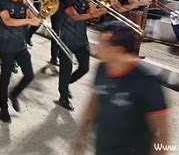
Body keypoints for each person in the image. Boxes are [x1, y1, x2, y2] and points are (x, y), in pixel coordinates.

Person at [72, 21, 169, 155]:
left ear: (119, 49)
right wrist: (81, 134)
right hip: (103, 149)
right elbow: (94, 101)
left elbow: (161, 131)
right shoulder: (102, 69)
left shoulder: (147, 80)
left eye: (103, 44)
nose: (97, 48)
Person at [0, 0, 41, 123]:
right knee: (5, 78)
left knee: (29, 75)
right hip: (6, 45)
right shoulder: (1, 1)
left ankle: (14, 94)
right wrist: (29, 22)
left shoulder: (25, 0)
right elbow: (8, 21)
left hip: (20, 44)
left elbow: (34, 19)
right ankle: (3, 109)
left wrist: (31, 6)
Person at [57, 0, 107, 111]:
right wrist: (93, 14)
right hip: (66, 39)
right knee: (66, 70)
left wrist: (90, 1)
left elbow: (94, 16)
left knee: (84, 68)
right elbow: (75, 17)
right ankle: (63, 97)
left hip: (81, 39)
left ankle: (65, 86)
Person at [48, 0, 71, 65]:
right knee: (56, 34)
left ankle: (59, 54)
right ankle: (53, 57)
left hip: (66, 10)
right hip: (56, 10)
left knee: (64, 35)